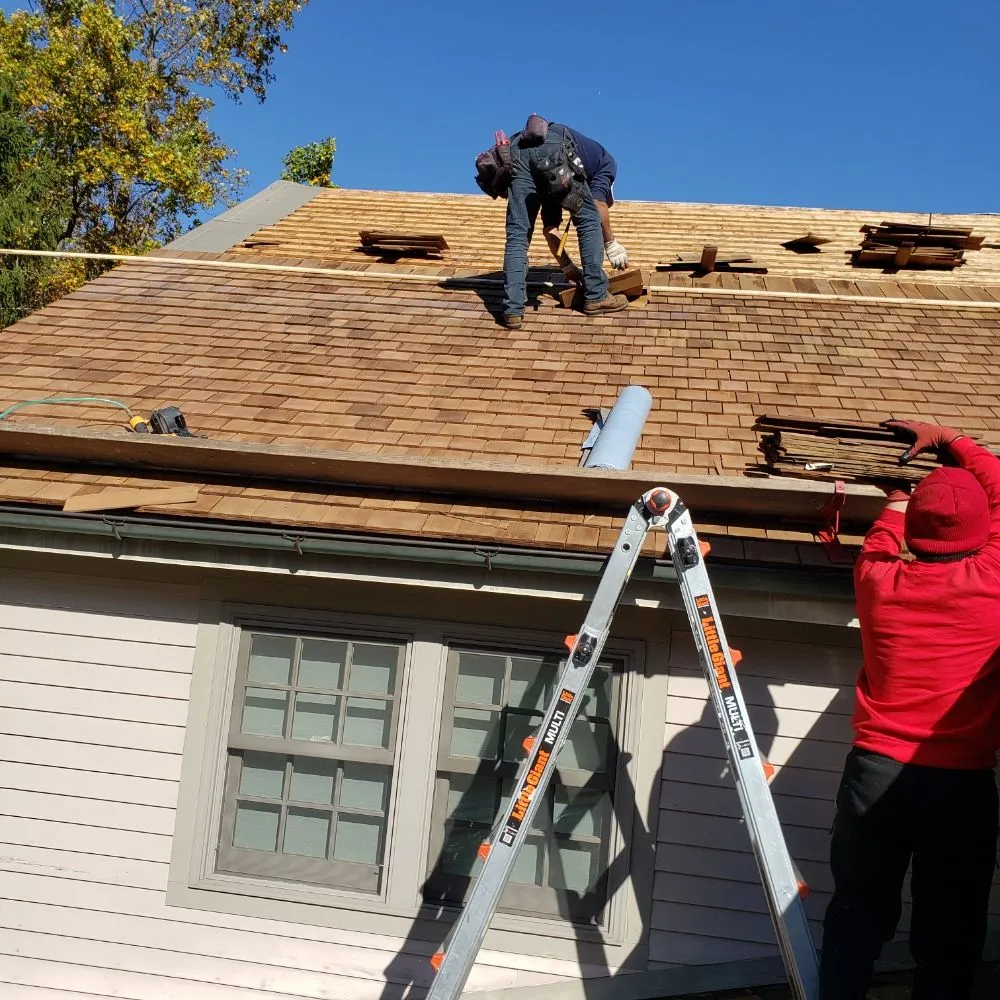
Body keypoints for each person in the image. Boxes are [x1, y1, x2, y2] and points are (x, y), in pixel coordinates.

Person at [820, 418, 1000, 1000]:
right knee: (951, 930)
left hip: (875, 775)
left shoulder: (876, 578)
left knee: (857, 914)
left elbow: (882, 532)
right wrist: (951, 440)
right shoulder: (996, 577)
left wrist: (899, 498)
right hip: (961, 786)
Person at [500, 118, 629, 329]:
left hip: (517, 150)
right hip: (552, 147)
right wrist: (611, 244)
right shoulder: (607, 164)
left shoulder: (554, 188)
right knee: (587, 218)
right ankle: (596, 295)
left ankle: (512, 311)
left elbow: (551, 230)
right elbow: (597, 207)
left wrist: (568, 268)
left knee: (518, 234)